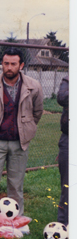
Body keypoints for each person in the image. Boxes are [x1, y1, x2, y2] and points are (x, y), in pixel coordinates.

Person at [0, 47, 44, 230]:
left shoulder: (33, 86)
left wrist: (26, 129)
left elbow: (37, 113)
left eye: (13, 64)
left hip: (20, 143)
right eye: (6, 63)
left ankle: (16, 223)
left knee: (16, 186)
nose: (9, 67)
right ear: (2, 65)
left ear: (21, 65)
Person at [56, 75, 69, 225]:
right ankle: (64, 224)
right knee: (68, 184)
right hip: (69, 138)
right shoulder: (68, 80)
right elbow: (62, 98)